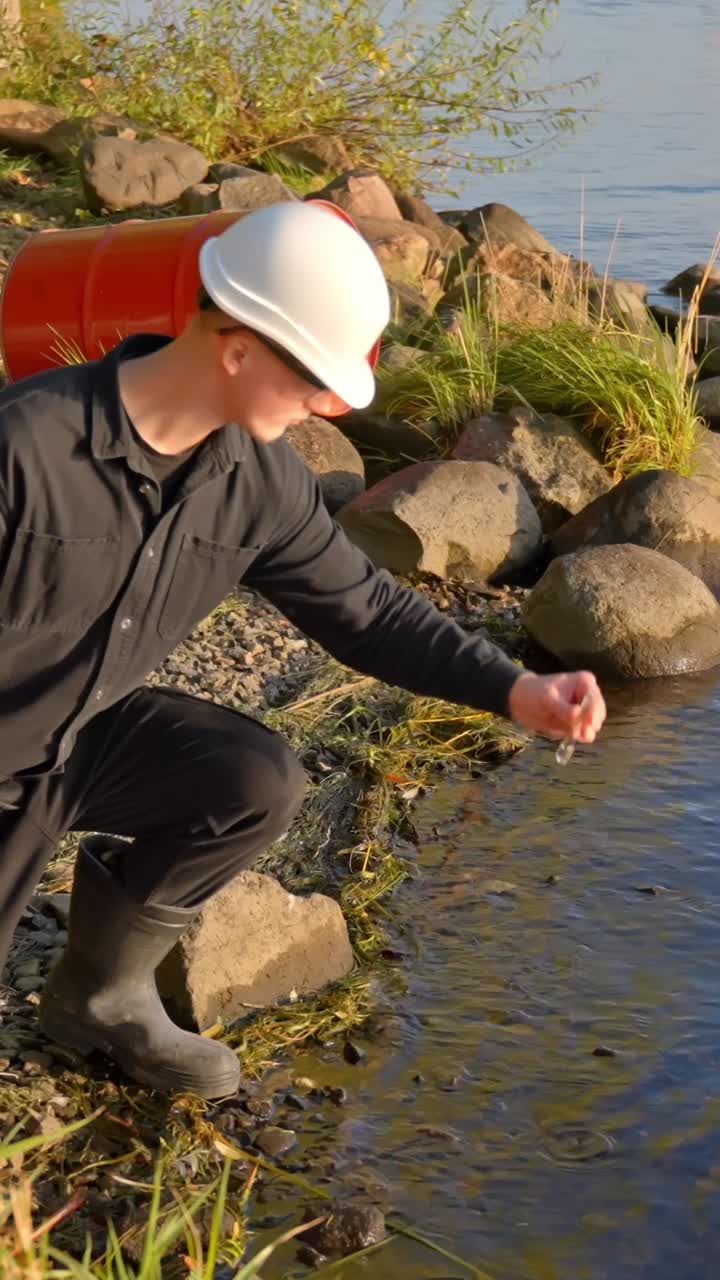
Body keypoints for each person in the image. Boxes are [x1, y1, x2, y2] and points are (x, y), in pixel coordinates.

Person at [0, 201, 606, 1099]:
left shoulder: (258, 483)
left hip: (78, 739)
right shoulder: (26, 445)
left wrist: (516, 690)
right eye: (313, 378)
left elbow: (367, 613)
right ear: (235, 345)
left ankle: (101, 998)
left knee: (251, 780)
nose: (329, 404)